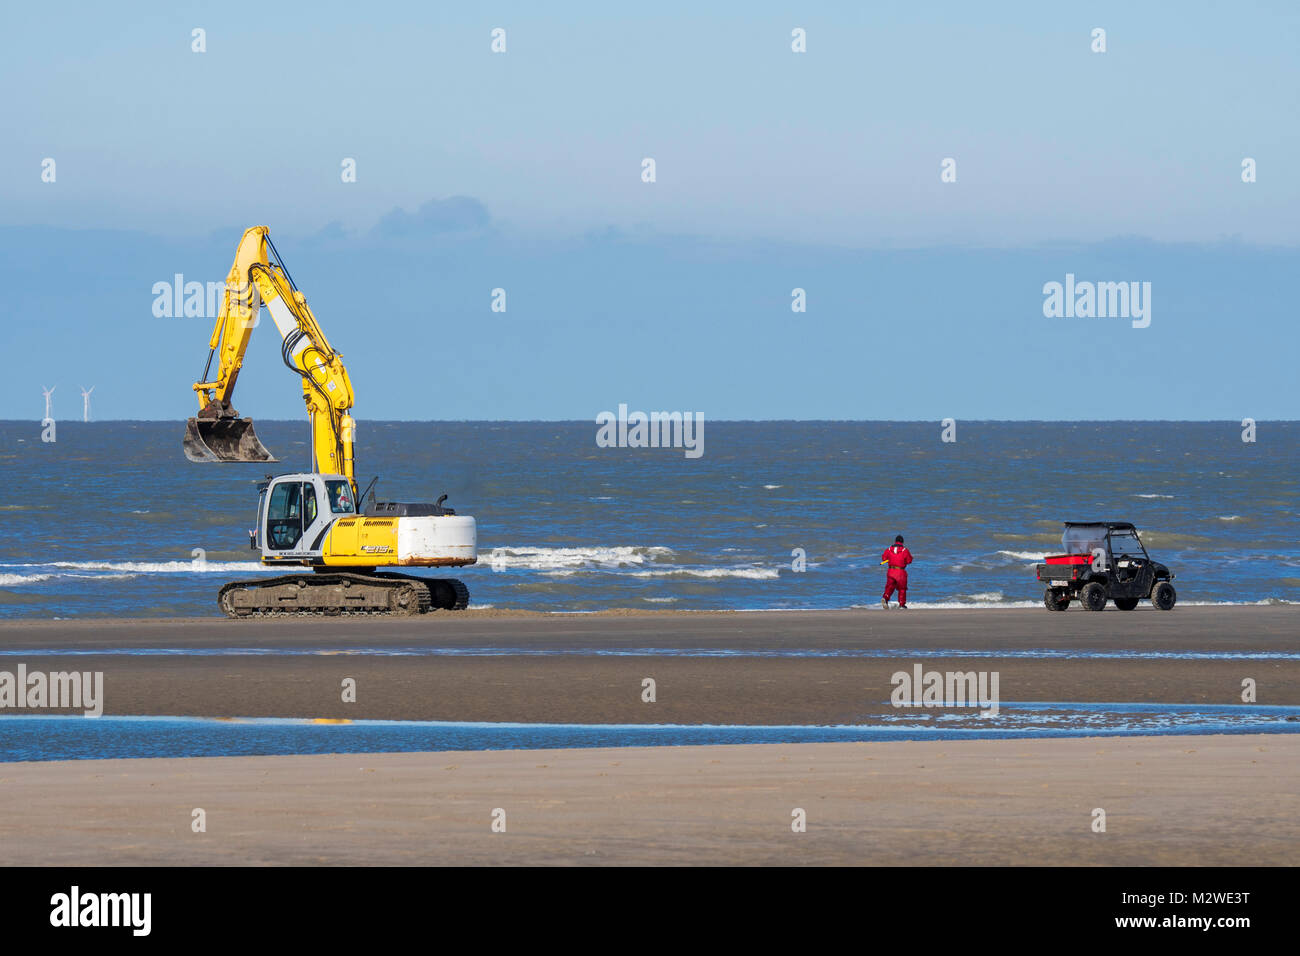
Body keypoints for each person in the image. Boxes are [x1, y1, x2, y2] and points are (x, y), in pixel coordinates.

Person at [881, 535, 913, 609]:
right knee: (902, 588)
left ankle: (885, 598)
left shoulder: (889, 549)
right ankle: (901, 604)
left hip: (891, 570)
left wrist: (890, 559)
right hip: (900, 571)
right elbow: (909, 561)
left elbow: (884, 558)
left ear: (895, 541)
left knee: (890, 586)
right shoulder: (904, 550)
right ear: (902, 542)